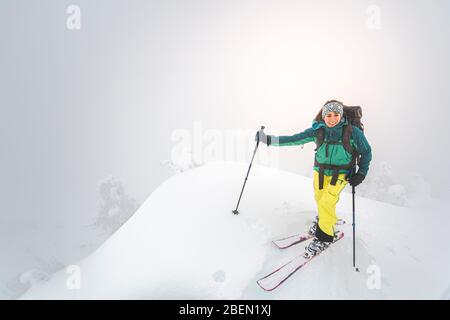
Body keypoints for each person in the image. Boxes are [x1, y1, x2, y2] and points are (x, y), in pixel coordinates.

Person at [256, 100, 372, 258]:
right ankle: (325, 220)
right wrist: (268, 139)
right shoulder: (318, 131)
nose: (332, 118)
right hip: (320, 172)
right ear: (323, 116)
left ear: (341, 115)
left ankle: (324, 237)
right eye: (328, 115)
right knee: (320, 199)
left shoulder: (352, 132)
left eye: (336, 115)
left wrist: (361, 173)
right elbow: (293, 139)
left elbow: (366, 152)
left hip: (341, 173)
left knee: (326, 201)